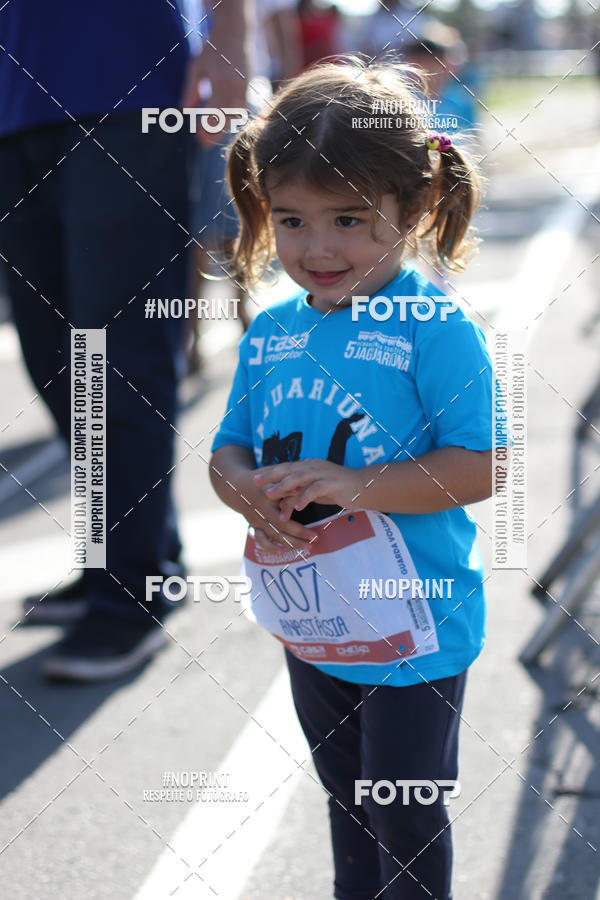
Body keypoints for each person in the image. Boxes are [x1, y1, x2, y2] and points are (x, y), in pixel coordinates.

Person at [208, 57, 508, 898]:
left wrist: (352, 486)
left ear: (411, 207)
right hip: (316, 615)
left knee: (403, 810)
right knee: (347, 800)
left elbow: (482, 464)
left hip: (415, 629)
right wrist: (247, 493)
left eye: (347, 218)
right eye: (294, 220)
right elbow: (227, 450)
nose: (318, 248)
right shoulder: (269, 331)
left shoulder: (433, 327)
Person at [0, 0, 251, 681]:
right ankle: (124, 553)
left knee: (113, 357)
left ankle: (132, 592)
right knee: (52, 355)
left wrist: (228, 39)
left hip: (123, 83)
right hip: (13, 96)